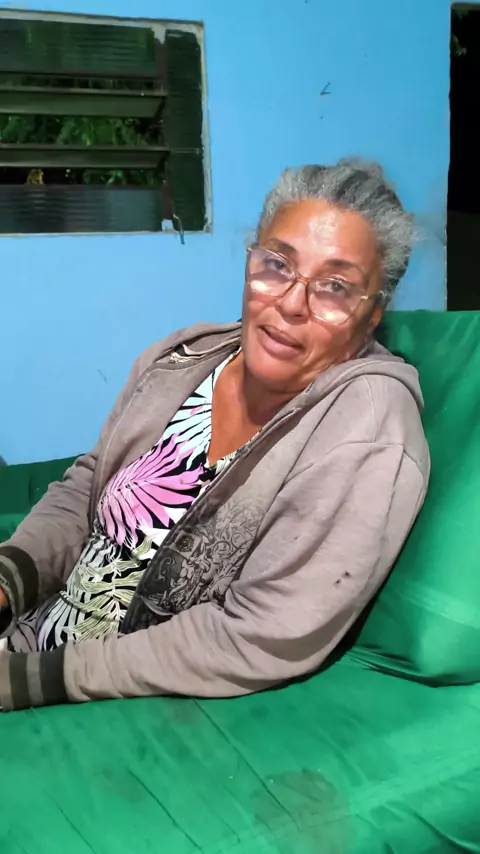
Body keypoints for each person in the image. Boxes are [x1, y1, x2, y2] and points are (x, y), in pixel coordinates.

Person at [0, 158, 429, 711]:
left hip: (103, 702)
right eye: (277, 265)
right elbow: (87, 488)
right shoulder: (185, 357)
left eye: (336, 287)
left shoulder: (366, 427)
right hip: (31, 637)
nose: (291, 303)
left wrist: (30, 681)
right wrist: (9, 579)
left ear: (372, 316)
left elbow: (258, 634)